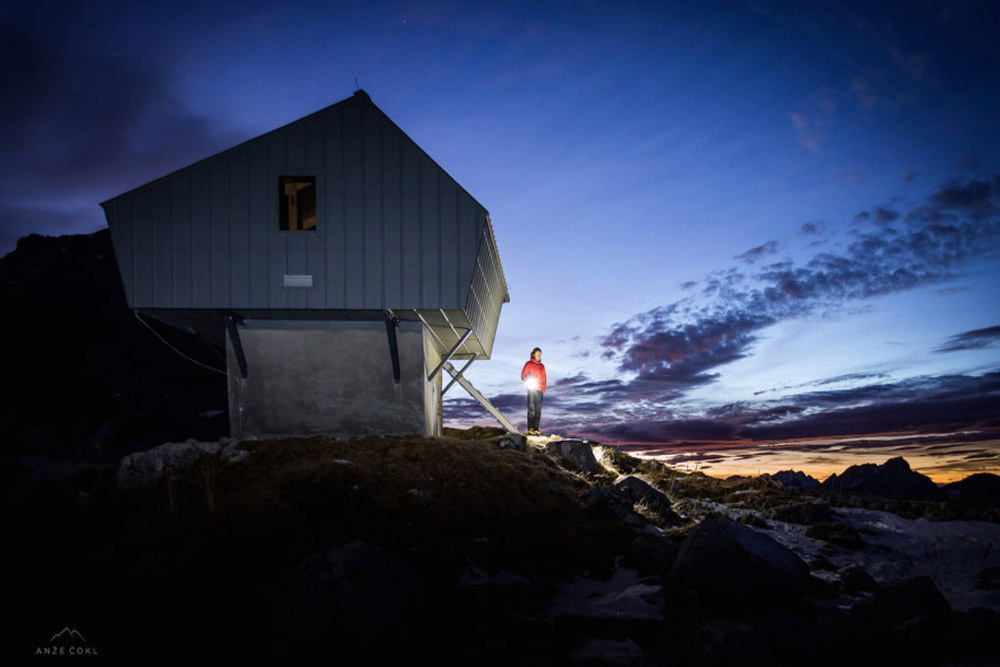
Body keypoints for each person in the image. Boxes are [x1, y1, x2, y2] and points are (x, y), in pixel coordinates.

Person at [521, 347, 546, 435]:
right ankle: (530, 428)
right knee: (531, 408)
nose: (539, 356)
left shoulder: (542, 366)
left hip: (540, 390)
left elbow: (544, 377)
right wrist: (528, 379)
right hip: (531, 389)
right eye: (537, 354)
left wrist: (543, 389)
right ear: (533, 354)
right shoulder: (528, 364)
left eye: (540, 354)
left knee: (538, 410)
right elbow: (523, 375)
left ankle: (536, 428)